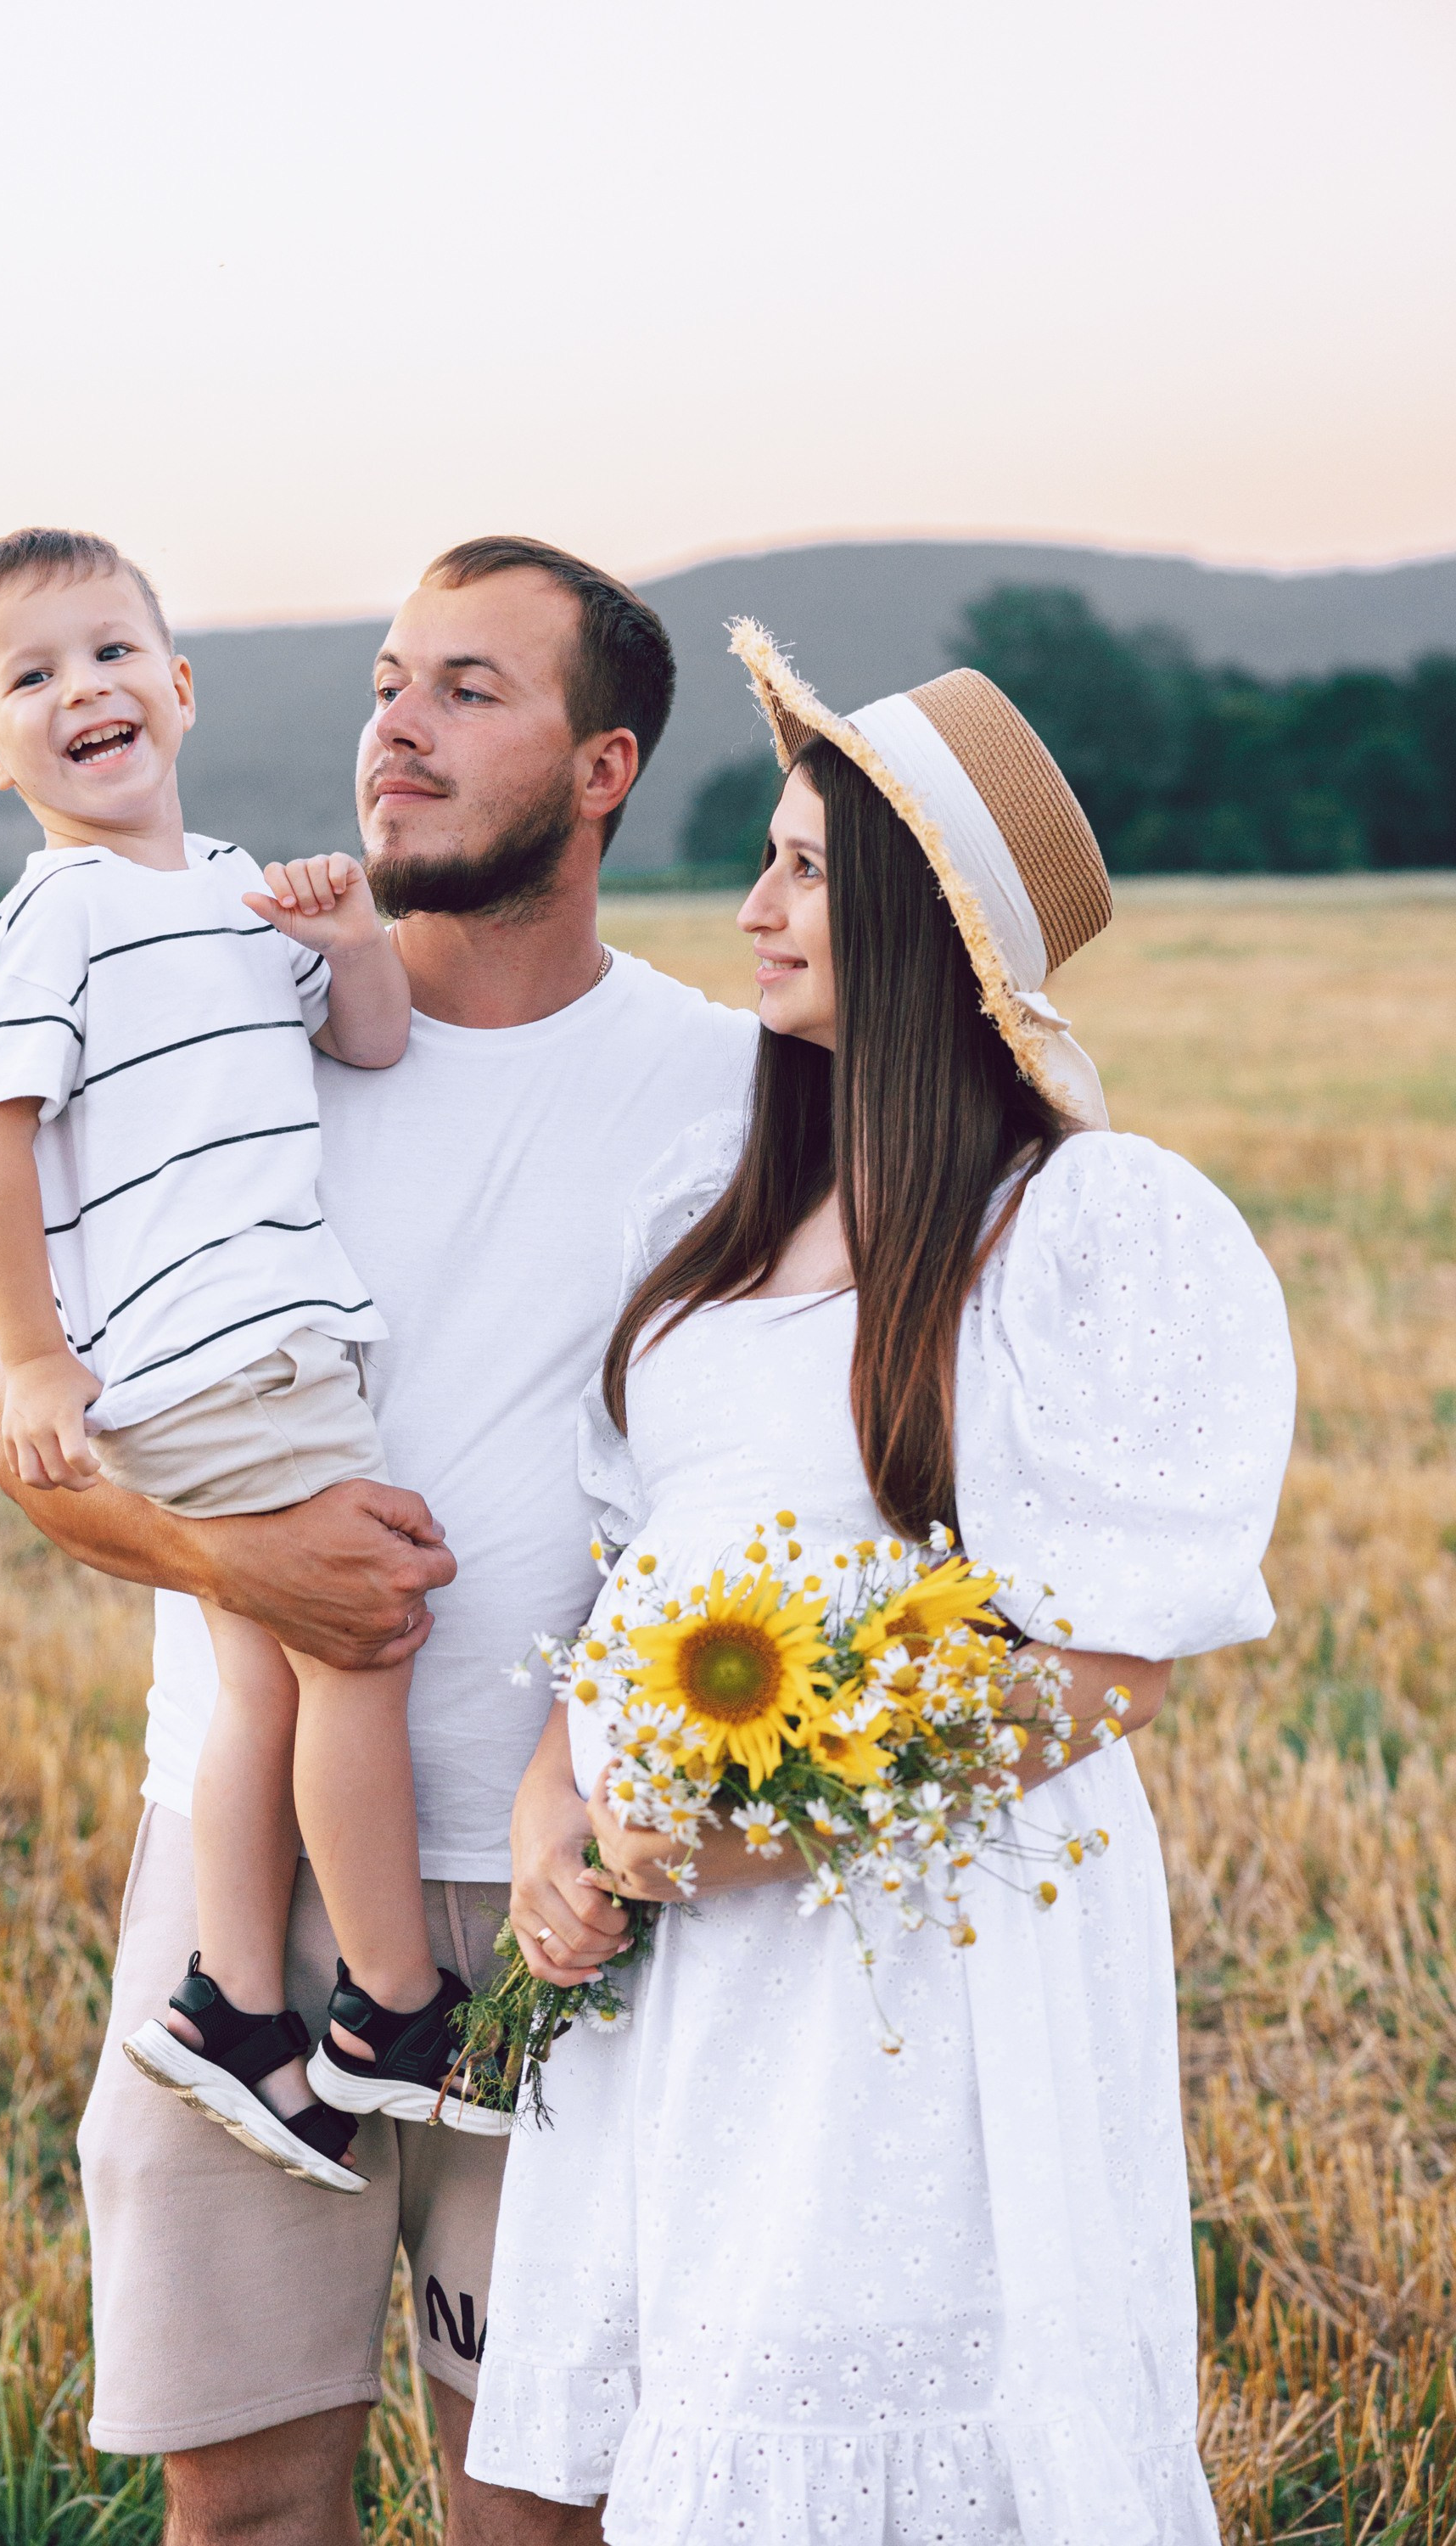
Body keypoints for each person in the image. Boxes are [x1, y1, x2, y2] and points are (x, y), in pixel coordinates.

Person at [468, 628, 1296, 2544]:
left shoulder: (1073, 1228)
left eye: (805, 872)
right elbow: (622, 1588)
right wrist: (552, 1820)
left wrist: (765, 1820)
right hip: (683, 1958)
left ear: (922, 923)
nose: (752, 909)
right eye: (765, 859)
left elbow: (1101, 1674)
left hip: (909, 1964)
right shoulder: (715, 1206)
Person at [0, 537, 758, 2543]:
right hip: (246, 1889)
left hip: (568, 1902)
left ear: (603, 768)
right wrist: (242, 1575)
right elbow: (29, 1448)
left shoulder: (722, 1091)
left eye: (467, 691)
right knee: (242, 2509)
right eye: (385, 679)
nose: (393, 728)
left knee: (537, 2515)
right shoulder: (214, 1026)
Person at [0, 525, 510, 2201]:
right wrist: (31, 1361)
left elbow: (377, 1039)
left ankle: (229, 2003)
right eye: (31, 676)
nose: (83, 690)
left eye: (111, 653)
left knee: (263, 1677)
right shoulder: (56, 918)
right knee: (365, 1644)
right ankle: (391, 2010)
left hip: (251, 1348)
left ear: (177, 690)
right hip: (218, 1356)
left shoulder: (235, 890)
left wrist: (343, 945)